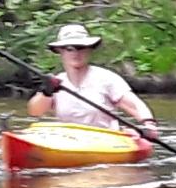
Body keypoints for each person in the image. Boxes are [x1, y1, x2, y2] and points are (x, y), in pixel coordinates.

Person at [27, 23, 159, 140]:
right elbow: (35, 112)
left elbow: (135, 105)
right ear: (60, 51)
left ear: (89, 49)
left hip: (105, 140)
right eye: (70, 49)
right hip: (69, 140)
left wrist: (148, 124)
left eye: (81, 47)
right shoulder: (56, 82)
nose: (76, 53)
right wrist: (46, 91)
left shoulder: (106, 78)